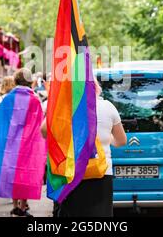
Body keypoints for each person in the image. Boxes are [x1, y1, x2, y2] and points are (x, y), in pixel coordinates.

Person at [53, 79, 127, 217]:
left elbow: (45, 130)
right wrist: (107, 138)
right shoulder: (108, 107)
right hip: (102, 173)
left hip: (73, 172)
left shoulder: (68, 107)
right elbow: (121, 141)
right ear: (96, 87)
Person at [0, 68, 46, 217]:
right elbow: (39, 124)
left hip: (10, 143)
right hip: (27, 143)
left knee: (12, 173)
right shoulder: (34, 99)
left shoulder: (8, 98)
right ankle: (22, 207)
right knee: (25, 173)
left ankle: (15, 206)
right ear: (30, 82)